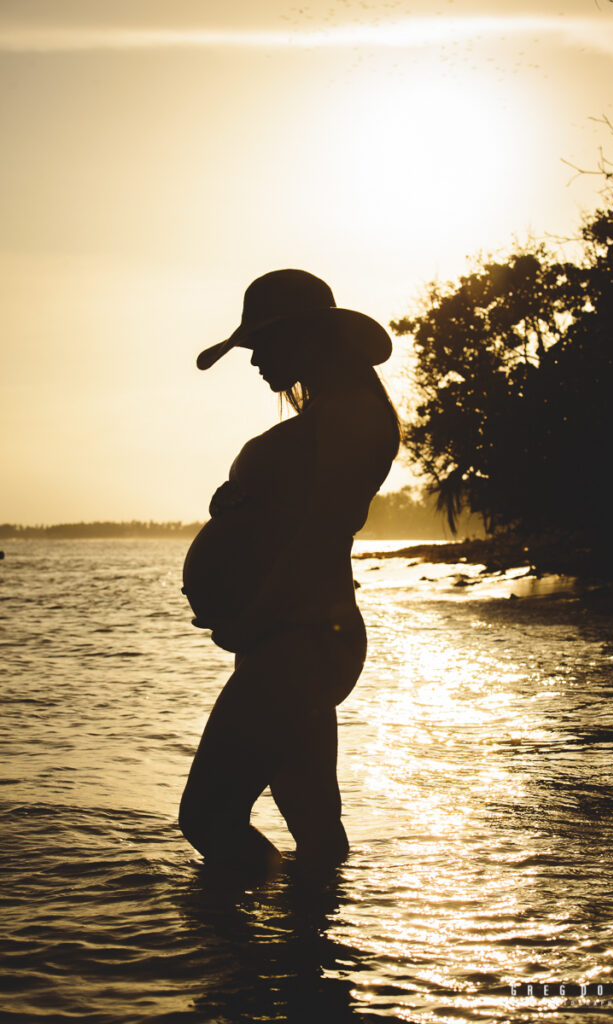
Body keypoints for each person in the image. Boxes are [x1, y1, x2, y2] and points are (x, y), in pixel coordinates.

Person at [179, 269, 400, 876]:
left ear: (304, 337)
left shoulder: (351, 417)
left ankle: (243, 958)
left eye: (260, 346)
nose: (252, 363)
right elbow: (290, 521)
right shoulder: (329, 418)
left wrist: (252, 620)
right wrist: (243, 510)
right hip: (295, 636)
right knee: (312, 818)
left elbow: (319, 537)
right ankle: (311, 958)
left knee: (207, 817)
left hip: (301, 637)